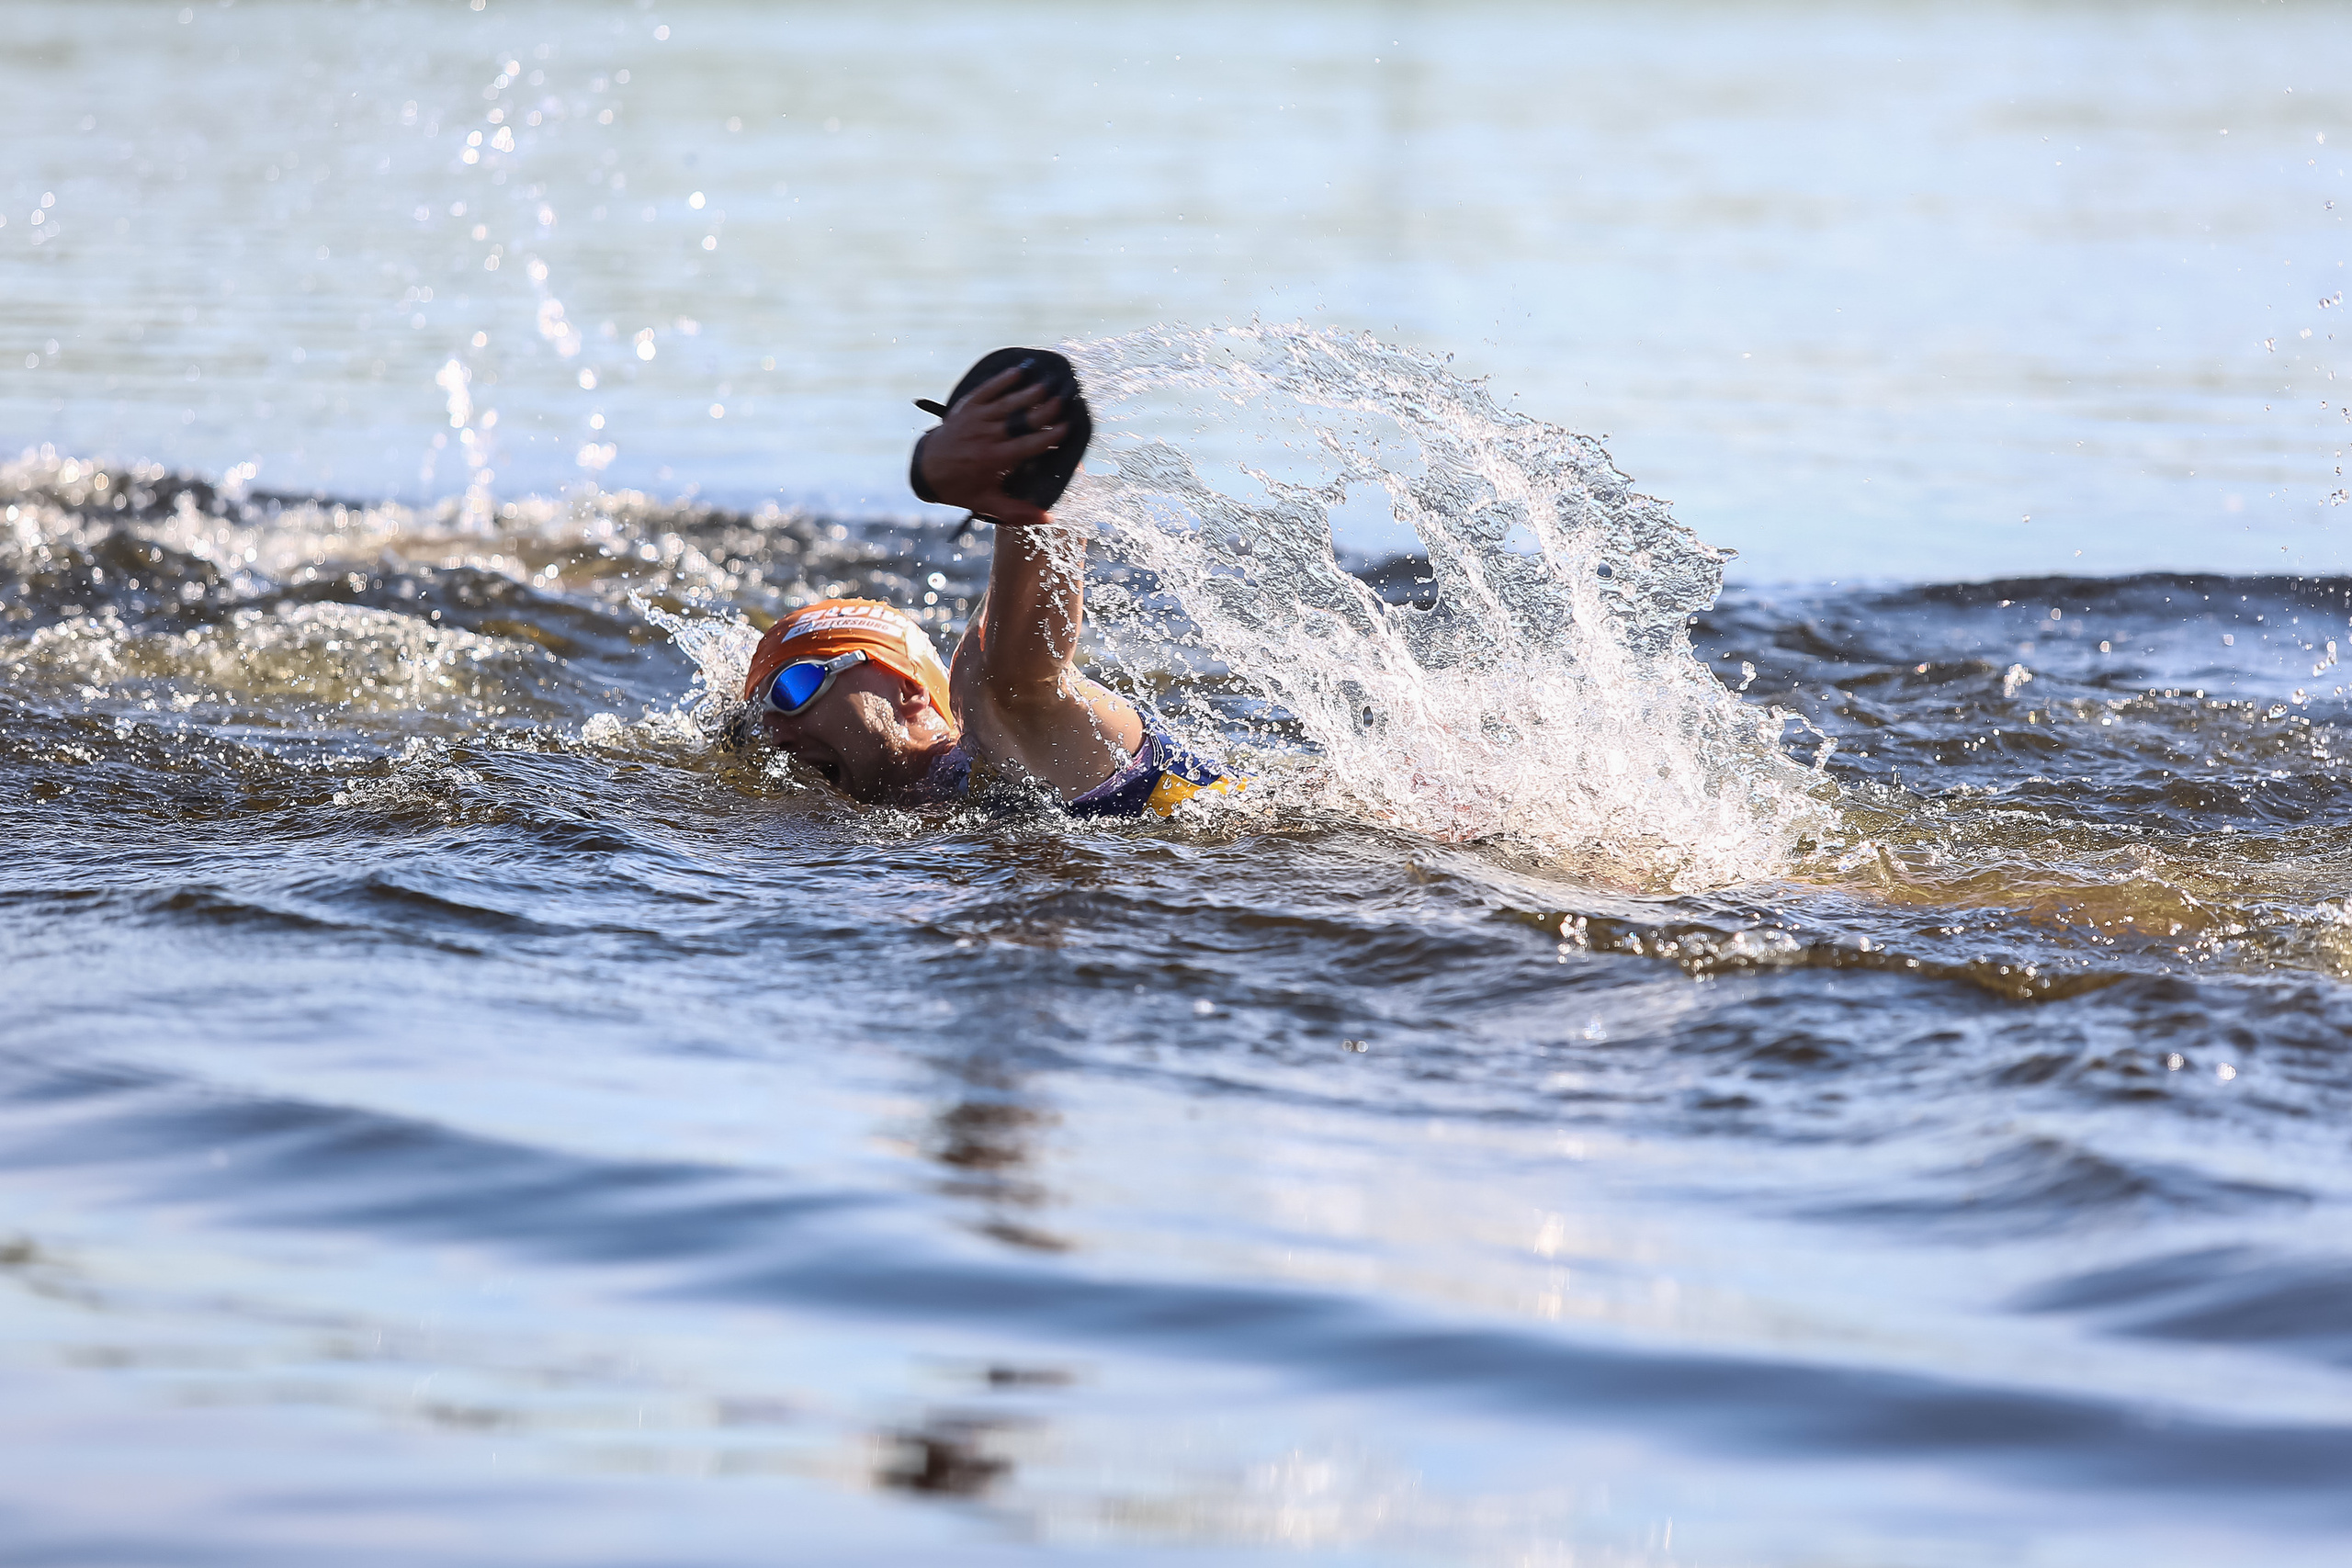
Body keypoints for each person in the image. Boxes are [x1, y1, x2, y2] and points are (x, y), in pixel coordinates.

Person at [741, 354, 1235, 818]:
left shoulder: (994, 718)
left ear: (908, 689)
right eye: (751, 720)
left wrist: (999, 478)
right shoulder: (916, 819)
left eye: (793, 687)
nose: (772, 730)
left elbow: (1021, 674)